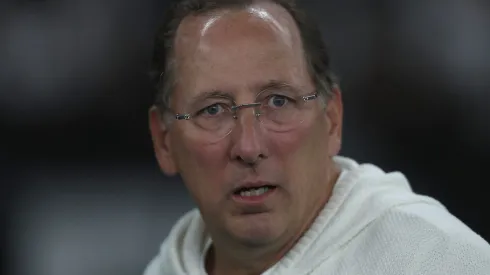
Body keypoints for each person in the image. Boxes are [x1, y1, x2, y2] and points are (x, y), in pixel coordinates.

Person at [144, 0, 490, 274]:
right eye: (213, 110)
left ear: (332, 120)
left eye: (278, 101)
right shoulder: (167, 267)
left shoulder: (433, 259)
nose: (248, 147)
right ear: (164, 142)